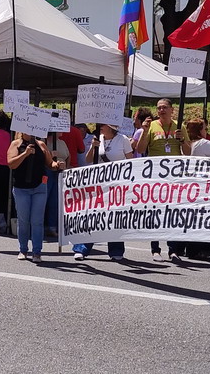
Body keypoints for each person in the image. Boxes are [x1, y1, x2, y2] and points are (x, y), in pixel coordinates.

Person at [135, 98, 192, 261]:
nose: (161, 110)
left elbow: (188, 152)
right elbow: (140, 149)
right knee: (155, 212)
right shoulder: (151, 126)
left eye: (165, 107)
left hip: (173, 177)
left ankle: (173, 250)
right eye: (159, 108)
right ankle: (155, 249)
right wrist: (144, 131)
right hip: (155, 176)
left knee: (171, 212)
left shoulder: (179, 126)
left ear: (172, 110)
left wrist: (182, 140)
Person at [72, 122, 133, 262]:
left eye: (103, 125)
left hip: (117, 184)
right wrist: (93, 147)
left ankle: (116, 250)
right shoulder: (97, 138)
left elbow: (131, 161)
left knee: (115, 216)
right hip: (98, 183)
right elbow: (88, 160)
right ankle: (81, 248)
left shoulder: (122, 139)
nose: (100, 128)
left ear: (111, 127)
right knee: (92, 214)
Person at [8, 126, 54, 262]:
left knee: (37, 221)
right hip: (21, 188)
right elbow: (11, 164)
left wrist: (57, 165)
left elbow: (50, 163)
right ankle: (23, 249)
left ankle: (37, 252)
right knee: (23, 220)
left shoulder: (41, 144)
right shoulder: (15, 144)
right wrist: (25, 154)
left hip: (39, 187)